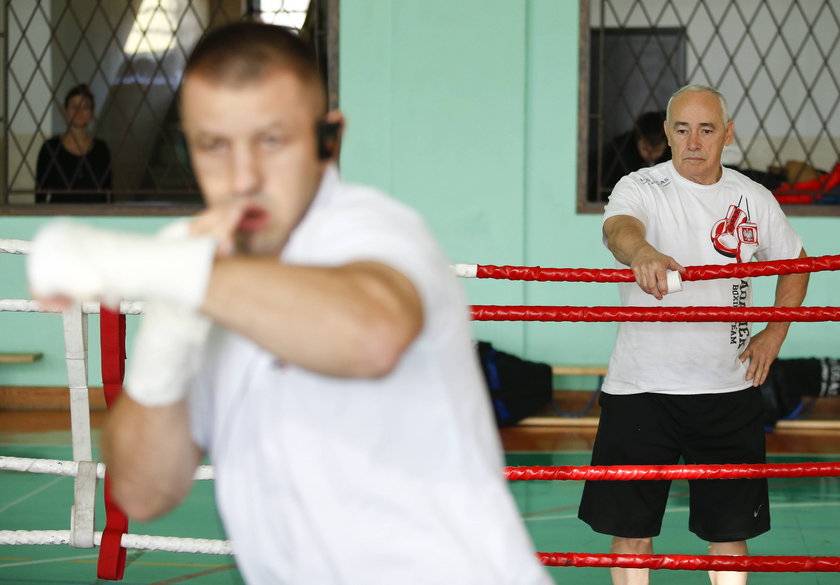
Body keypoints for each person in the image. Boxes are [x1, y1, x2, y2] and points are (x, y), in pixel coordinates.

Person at [26, 23, 551, 585]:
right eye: (214, 146)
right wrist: (168, 328)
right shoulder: (209, 274)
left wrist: (155, 268)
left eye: (271, 140)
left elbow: (370, 335)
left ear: (330, 139)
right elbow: (143, 490)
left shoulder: (376, 233)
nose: (243, 177)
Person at [578, 84, 809, 585]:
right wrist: (640, 252)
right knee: (631, 530)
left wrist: (775, 333)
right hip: (641, 388)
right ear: (666, 133)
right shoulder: (640, 186)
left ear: (727, 134)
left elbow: (796, 263)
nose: (694, 142)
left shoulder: (753, 197)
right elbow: (618, 229)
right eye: (682, 129)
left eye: (707, 129)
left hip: (728, 387)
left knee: (728, 531)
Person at [35, 84, 112, 204]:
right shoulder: (50, 148)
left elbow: (108, 193)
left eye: (85, 107)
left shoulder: (101, 149)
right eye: (74, 106)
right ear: (66, 111)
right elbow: (40, 195)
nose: (79, 111)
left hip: (94, 219)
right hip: (60, 219)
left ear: (92, 113)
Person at [594, 111, 671, 201]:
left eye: (657, 150)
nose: (651, 155)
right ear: (637, 140)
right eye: (645, 149)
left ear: (667, 143)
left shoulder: (673, 155)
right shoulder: (619, 152)